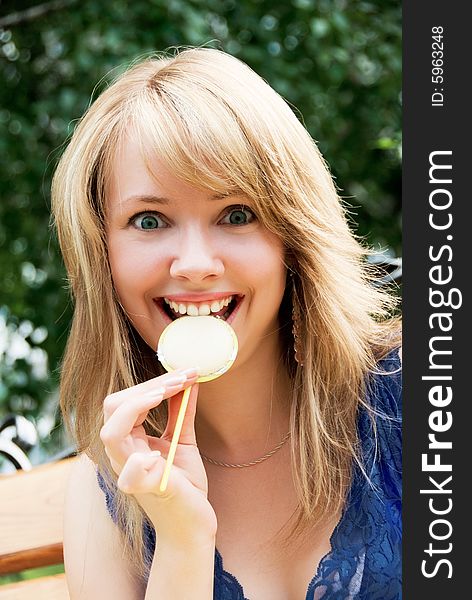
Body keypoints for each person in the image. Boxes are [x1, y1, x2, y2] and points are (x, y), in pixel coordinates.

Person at [52, 48, 402, 599]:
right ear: (103, 255)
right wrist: (183, 542)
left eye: (236, 214)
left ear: (293, 234)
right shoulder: (108, 500)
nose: (194, 263)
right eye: (149, 220)